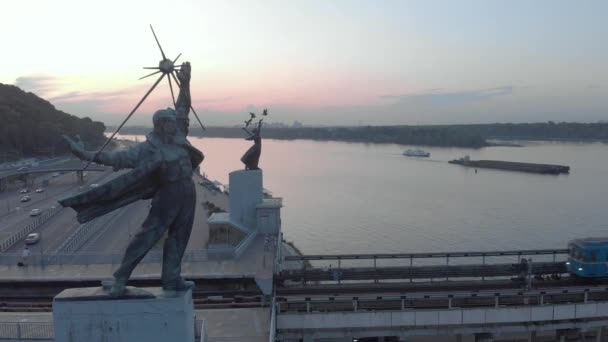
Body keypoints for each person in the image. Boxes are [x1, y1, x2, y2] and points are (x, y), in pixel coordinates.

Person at [60, 62, 204, 296]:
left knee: (180, 236)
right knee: (146, 237)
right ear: (160, 125)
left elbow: (183, 106)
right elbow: (116, 158)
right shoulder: (147, 149)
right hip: (167, 196)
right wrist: (83, 153)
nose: (175, 123)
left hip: (188, 193)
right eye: (170, 121)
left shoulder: (179, 136)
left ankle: (171, 278)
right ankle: (120, 278)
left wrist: (185, 82)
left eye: (174, 121)